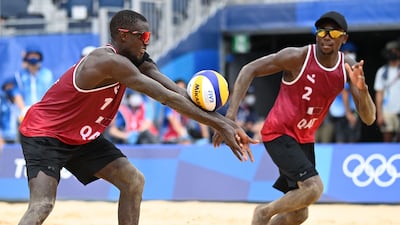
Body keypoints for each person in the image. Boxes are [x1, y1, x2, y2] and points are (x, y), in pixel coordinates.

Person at [17, 10, 255, 225]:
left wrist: (226, 123)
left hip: (81, 137)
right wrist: (219, 124)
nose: (146, 42)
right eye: (143, 36)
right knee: (42, 205)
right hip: (45, 134)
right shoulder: (106, 62)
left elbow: (176, 92)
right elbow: (165, 99)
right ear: (123, 36)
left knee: (133, 181)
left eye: (148, 36)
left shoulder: (136, 59)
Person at [214, 11, 376, 225]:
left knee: (299, 214)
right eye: (322, 31)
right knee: (314, 188)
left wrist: (362, 91)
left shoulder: (347, 67)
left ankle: (265, 218)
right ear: (316, 35)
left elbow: (369, 118)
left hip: (304, 139)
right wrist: (230, 117)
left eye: (334, 32)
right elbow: (248, 69)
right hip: (278, 133)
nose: (327, 36)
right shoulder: (297, 57)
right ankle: (264, 211)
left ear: (344, 38)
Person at [374, 40, 400, 142]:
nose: (393, 53)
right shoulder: (382, 72)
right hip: (387, 110)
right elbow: (379, 94)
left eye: (395, 50)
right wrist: (379, 114)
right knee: (387, 138)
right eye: (390, 51)